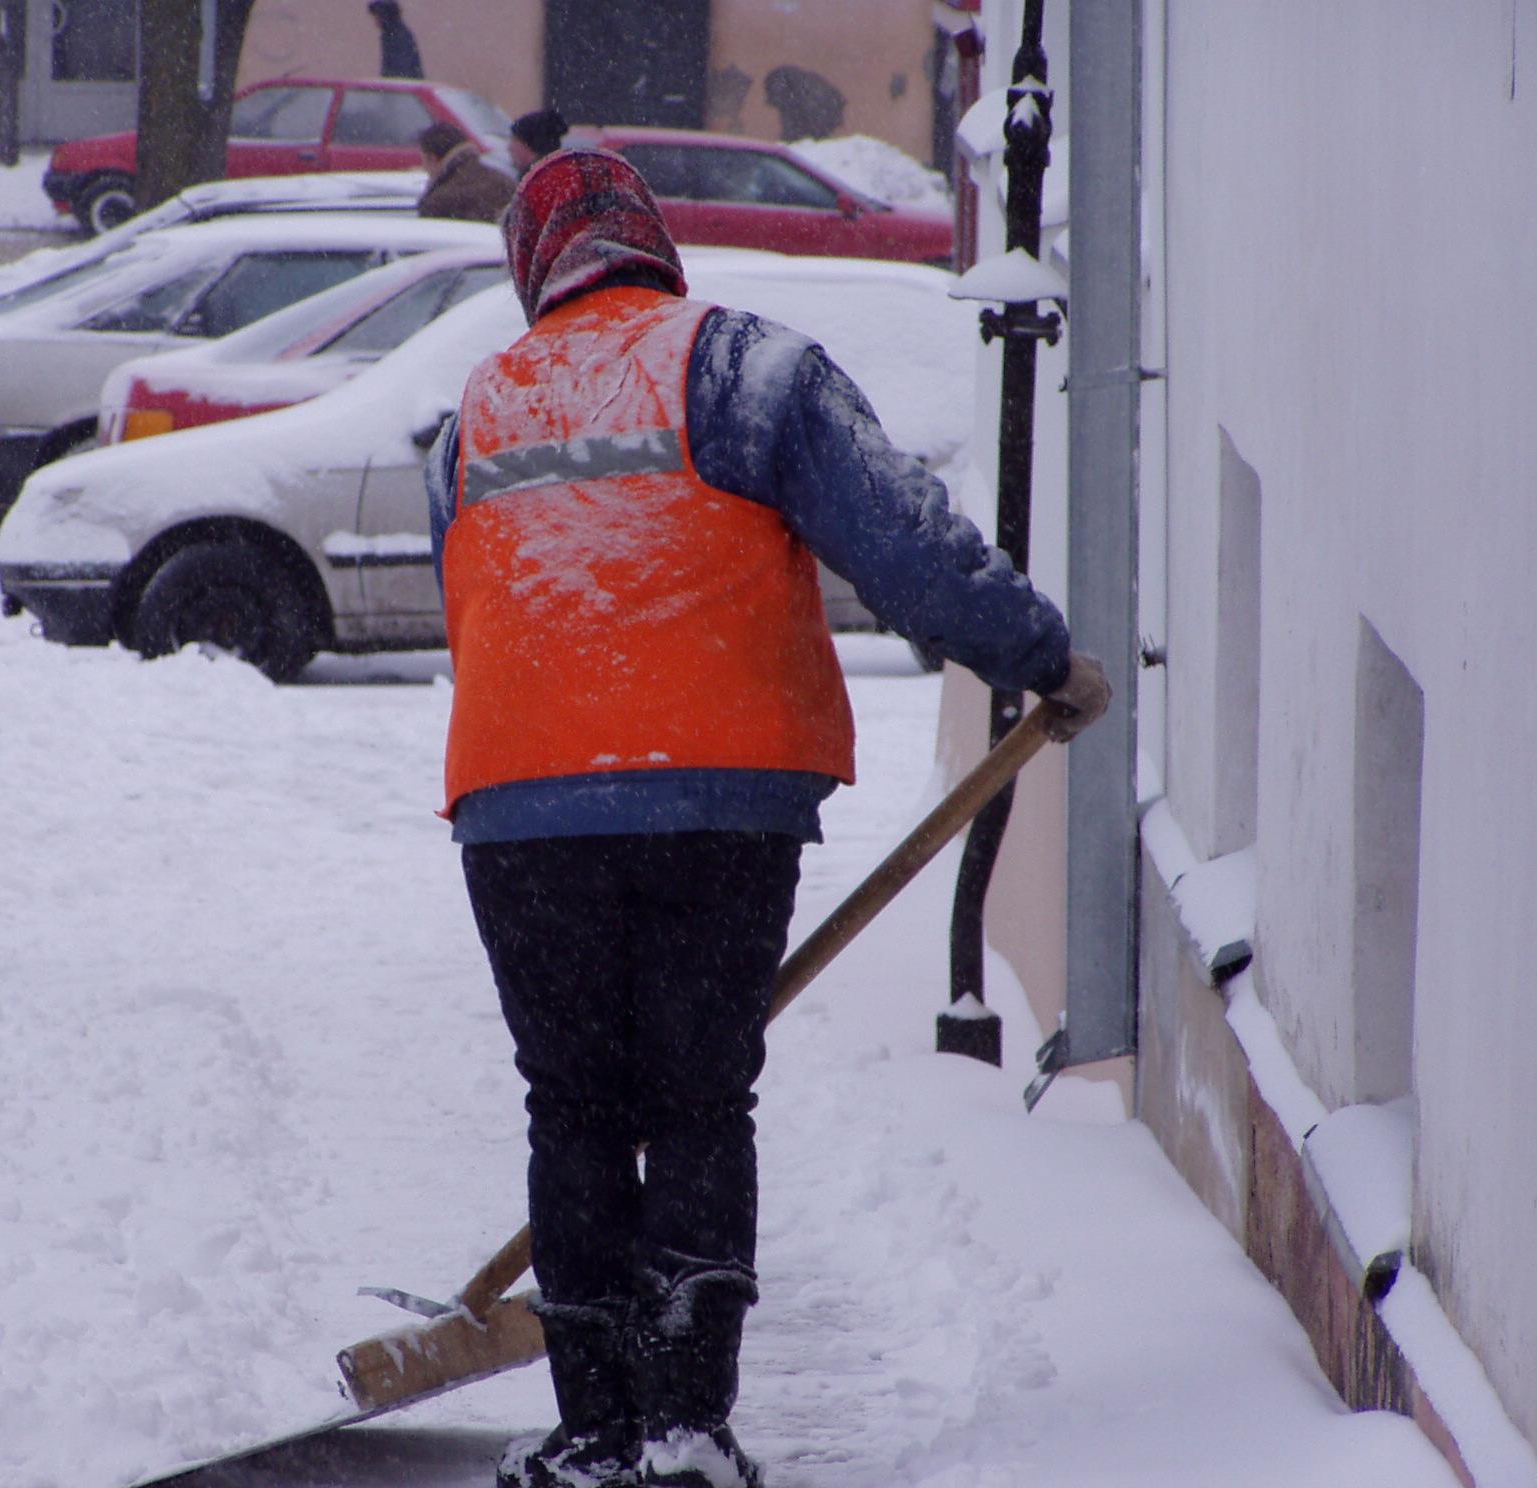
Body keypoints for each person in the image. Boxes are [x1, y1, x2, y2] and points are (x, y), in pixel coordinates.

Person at [424, 149, 1110, 1488]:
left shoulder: (473, 415)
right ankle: (683, 1427)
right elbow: (906, 542)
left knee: (571, 1105)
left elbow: (484, 611)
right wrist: (1034, 654)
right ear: (652, 244)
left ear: (532, 266)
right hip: (717, 802)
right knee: (692, 1093)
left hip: (520, 807)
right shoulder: (742, 370)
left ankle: (594, 1432)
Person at [415, 121, 516, 224]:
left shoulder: (439, 203)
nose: (424, 168)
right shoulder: (504, 182)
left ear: (432, 159)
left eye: (423, 160)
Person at [367, 0, 424, 80]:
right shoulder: (394, 34)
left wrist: (388, 86)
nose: (375, 22)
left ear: (384, 16)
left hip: (402, 89)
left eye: (377, 16)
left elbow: (399, 69)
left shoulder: (396, 36)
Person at [508, 107, 569, 174]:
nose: (509, 148)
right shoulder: (561, 173)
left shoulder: (538, 179)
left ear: (528, 145)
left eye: (515, 140)